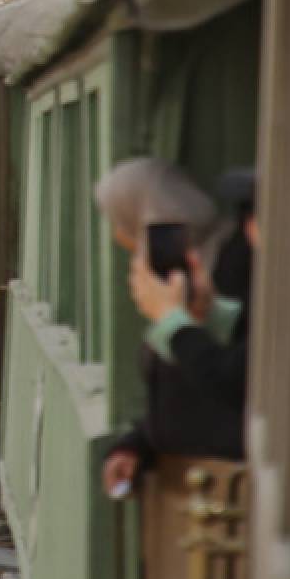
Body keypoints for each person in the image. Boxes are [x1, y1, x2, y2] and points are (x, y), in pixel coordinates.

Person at [95, 158, 253, 498]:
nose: (117, 233)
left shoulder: (236, 264)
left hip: (226, 488)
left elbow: (229, 377)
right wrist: (138, 444)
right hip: (191, 485)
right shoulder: (200, 271)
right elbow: (186, 386)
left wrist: (173, 321)